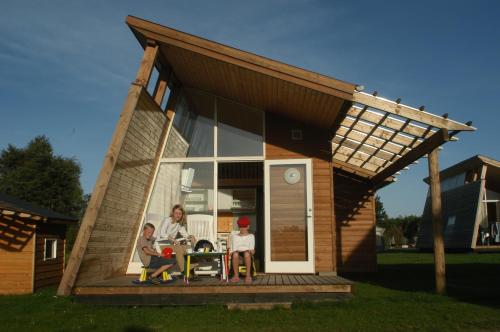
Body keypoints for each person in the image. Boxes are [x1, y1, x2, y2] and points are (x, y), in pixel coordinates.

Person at [156, 204, 196, 274]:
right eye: (176, 213)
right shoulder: (167, 220)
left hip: (171, 245)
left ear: (182, 215)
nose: (178, 215)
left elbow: (186, 235)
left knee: (188, 247)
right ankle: (184, 269)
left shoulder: (179, 224)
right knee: (178, 248)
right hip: (161, 244)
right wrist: (173, 239)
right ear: (173, 214)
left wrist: (191, 237)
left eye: (180, 213)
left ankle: (189, 266)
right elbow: (162, 233)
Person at [229, 216, 255, 284]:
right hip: (237, 256)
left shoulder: (251, 236)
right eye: (241, 226)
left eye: (244, 226)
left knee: (246, 253)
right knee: (235, 254)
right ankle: (236, 275)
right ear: (238, 227)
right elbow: (233, 250)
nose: (243, 228)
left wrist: (251, 251)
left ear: (248, 227)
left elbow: (251, 250)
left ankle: (248, 275)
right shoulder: (235, 236)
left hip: (247, 255)